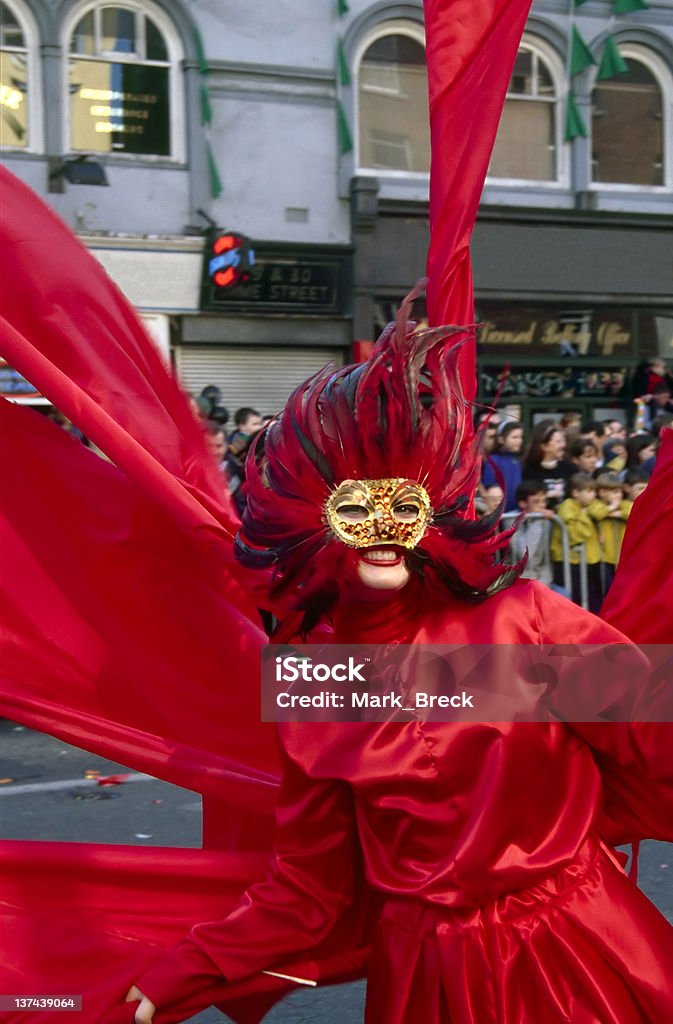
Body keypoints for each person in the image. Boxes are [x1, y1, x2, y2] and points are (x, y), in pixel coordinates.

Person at [550, 473, 606, 613]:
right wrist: (585, 515)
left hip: (588, 560)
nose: (593, 495)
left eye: (594, 491)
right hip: (569, 561)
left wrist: (587, 512)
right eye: (589, 491)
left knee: (593, 596)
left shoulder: (589, 504)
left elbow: (601, 511)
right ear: (575, 492)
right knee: (576, 598)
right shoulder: (567, 507)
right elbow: (577, 535)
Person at [507, 481, 555, 588]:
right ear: (523, 504)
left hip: (541, 580)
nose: (542, 506)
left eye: (544, 501)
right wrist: (537, 521)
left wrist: (545, 583)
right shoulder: (510, 520)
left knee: (564, 594)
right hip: (518, 581)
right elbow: (526, 553)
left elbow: (545, 560)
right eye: (536, 502)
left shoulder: (545, 521)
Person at [521, 419, 574, 507]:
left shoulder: (570, 468)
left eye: (563, 441)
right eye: (558, 442)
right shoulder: (530, 471)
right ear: (544, 446)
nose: (563, 445)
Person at [594, 471, 631, 595]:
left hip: (622, 557)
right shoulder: (596, 504)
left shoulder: (624, 504)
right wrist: (611, 507)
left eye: (620, 492)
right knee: (607, 590)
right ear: (602, 492)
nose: (619, 495)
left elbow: (631, 511)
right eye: (615, 492)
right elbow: (596, 513)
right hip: (604, 557)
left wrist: (615, 513)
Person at [480, 420, 523, 512]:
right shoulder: (493, 460)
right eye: (514, 437)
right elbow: (490, 486)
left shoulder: (517, 460)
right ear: (501, 439)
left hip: (515, 511)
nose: (519, 441)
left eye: (520, 437)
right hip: (499, 512)